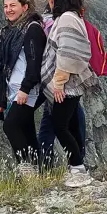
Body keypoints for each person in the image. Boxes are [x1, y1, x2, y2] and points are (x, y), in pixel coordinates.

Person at [40, 0, 96, 188]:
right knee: (70, 125)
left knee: (60, 126)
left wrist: (59, 83)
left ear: (52, 0)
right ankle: (77, 166)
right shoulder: (73, 16)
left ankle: (77, 168)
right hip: (71, 83)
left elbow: (67, 54)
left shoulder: (66, 19)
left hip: (67, 85)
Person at [0, 0, 46, 173]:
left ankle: (26, 169)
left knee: (11, 126)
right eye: (5, 6)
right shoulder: (12, 31)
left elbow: (34, 62)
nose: (8, 9)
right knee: (27, 129)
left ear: (24, 7)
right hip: (14, 89)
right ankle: (40, 171)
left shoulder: (32, 29)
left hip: (27, 89)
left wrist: (25, 88)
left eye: (13, 5)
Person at [37, 10, 87, 163]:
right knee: (70, 120)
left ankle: (52, 165)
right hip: (70, 83)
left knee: (54, 124)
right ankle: (78, 160)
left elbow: (64, 56)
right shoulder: (75, 19)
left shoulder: (55, 22)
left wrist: (58, 84)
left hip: (57, 83)